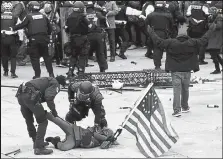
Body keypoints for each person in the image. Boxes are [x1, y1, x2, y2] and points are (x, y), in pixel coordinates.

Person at [147, 21, 216, 117]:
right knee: (185, 89)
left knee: (176, 91)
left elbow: (158, 41)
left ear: (177, 36)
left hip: (175, 71)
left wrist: (151, 32)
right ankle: (185, 107)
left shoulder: (170, 42)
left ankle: (177, 110)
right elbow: (204, 39)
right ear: (186, 36)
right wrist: (211, 29)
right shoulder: (192, 42)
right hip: (187, 70)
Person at [15, 75, 67, 155]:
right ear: (61, 83)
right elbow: (49, 97)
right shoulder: (55, 83)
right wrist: (53, 110)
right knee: (43, 121)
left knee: (29, 120)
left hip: (21, 95)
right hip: (30, 96)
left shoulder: (47, 79)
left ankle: (36, 142)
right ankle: (39, 147)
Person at [11, 1, 54, 79]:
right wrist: (46, 35)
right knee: (46, 57)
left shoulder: (29, 16)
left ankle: (37, 75)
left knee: (34, 57)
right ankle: (51, 74)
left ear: (30, 7)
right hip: (44, 39)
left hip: (33, 39)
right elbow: (50, 28)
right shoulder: (44, 16)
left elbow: (22, 25)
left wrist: (13, 28)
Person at [45, 112, 116, 151]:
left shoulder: (107, 133)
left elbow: (107, 142)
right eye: (99, 125)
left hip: (76, 141)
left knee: (64, 147)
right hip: (74, 129)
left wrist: (110, 140)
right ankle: (44, 113)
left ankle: (55, 141)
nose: (100, 128)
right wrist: (106, 138)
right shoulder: (94, 129)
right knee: (59, 122)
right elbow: (93, 134)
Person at [145, 1, 174, 70]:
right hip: (165, 34)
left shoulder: (150, 15)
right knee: (169, 50)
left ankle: (157, 66)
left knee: (157, 50)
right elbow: (172, 25)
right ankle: (169, 65)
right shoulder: (168, 15)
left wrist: (149, 34)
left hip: (154, 34)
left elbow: (146, 25)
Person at [65, 1, 90, 78]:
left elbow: (66, 29)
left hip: (73, 39)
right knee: (82, 55)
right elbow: (89, 26)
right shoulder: (82, 17)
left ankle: (70, 72)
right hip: (82, 38)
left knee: (73, 55)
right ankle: (81, 72)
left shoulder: (69, 17)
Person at [85, 1, 108, 72]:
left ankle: (81, 70)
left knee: (84, 53)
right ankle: (103, 68)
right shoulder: (98, 14)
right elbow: (106, 23)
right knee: (100, 53)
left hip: (87, 36)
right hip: (98, 36)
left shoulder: (83, 15)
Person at [186, 1, 210, 65]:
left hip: (192, 27)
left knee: (192, 43)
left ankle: (192, 59)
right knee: (202, 44)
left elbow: (187, 15)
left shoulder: (191, 6)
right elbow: (208, 15)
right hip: (202, 27)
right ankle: (200, 60)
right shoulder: (204, 7)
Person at [1, 1, 19, 78]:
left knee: (4, 55)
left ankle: (5, 71)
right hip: (12, 38)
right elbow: (19, 28)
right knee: (13, 56)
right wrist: (20, 39)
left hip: (2, 38)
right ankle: (13, 73)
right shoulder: (15, 17)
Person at [206, 1, 223, 74]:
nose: (210, 14)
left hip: (217, 38)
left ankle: (217, 69)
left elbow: (218, 27)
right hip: (214, 38)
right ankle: (219, 68)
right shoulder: (214, 18)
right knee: (215, 54)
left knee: (213, 54)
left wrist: (211, 23)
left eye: (211, 13)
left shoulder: (219, 18)